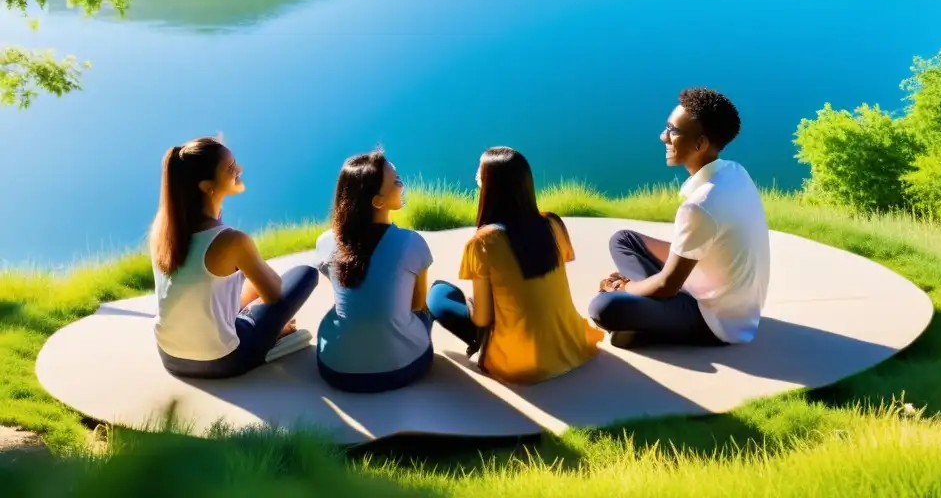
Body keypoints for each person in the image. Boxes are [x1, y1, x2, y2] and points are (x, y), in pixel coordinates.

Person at [588, 88, 771, 349]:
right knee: (623, 240)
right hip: (736, 302)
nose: (663, 136)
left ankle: (643, 326)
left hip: (716, 321)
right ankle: (644, 315)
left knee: (603, 307)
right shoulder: (735, 173)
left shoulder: (702, 206)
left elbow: (667, 286)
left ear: (700, 144)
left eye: (673, 131)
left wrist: (625, 288)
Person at [426, 147, 603, 385]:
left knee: (438, 294)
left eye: (480, 171)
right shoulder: (552, 223)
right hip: (574, 344)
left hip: (519, 362)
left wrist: (474, 304)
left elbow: (481, 319)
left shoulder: (483, 242)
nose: (476, 175)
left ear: (491, 184)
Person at [151, 137, 319, 379]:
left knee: (242, 283)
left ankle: (252, 324)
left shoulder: (162, 232)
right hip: (223, 361)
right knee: (305, 274)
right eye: (230, 168)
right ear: (207, 186)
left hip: (170, 357)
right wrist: (255, 268)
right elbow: (274, 293)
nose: (239, 169)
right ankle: (273, 336)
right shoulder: (232, 241)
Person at [315, 150, 434, 393]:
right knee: (431, 304)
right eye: (397, 181)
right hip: (401, 369)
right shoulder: (411, 243)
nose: (402, 185)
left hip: (336, 370)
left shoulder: (326, 243)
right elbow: (417, 304)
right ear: (378, 201)